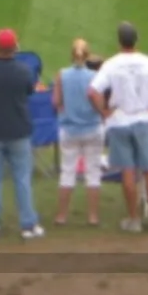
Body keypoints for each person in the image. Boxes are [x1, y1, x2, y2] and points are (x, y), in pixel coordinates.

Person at [88, 22, 148, 232]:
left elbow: (92, 92)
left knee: (128, 171)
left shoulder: (111, 64)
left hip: (120, 121)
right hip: (142, 120)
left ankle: (134, 219)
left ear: (119, 41)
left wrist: (104, 112)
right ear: (136, 40)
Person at [0, 29, 44, 241]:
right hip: (18, 131)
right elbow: (29, 91)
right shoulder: (24, 71)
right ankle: (28, 225)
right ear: (14, 48)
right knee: (22, 179)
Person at [53, 38, 104, 227]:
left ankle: (61, 216)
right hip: (92, 127)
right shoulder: (95, 76)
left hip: (69, 129)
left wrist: (65, 111)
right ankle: (93, 216)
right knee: (93, 172)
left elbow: (56, 102)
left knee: (67, 171)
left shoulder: (62, 74)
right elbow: (98, 101)